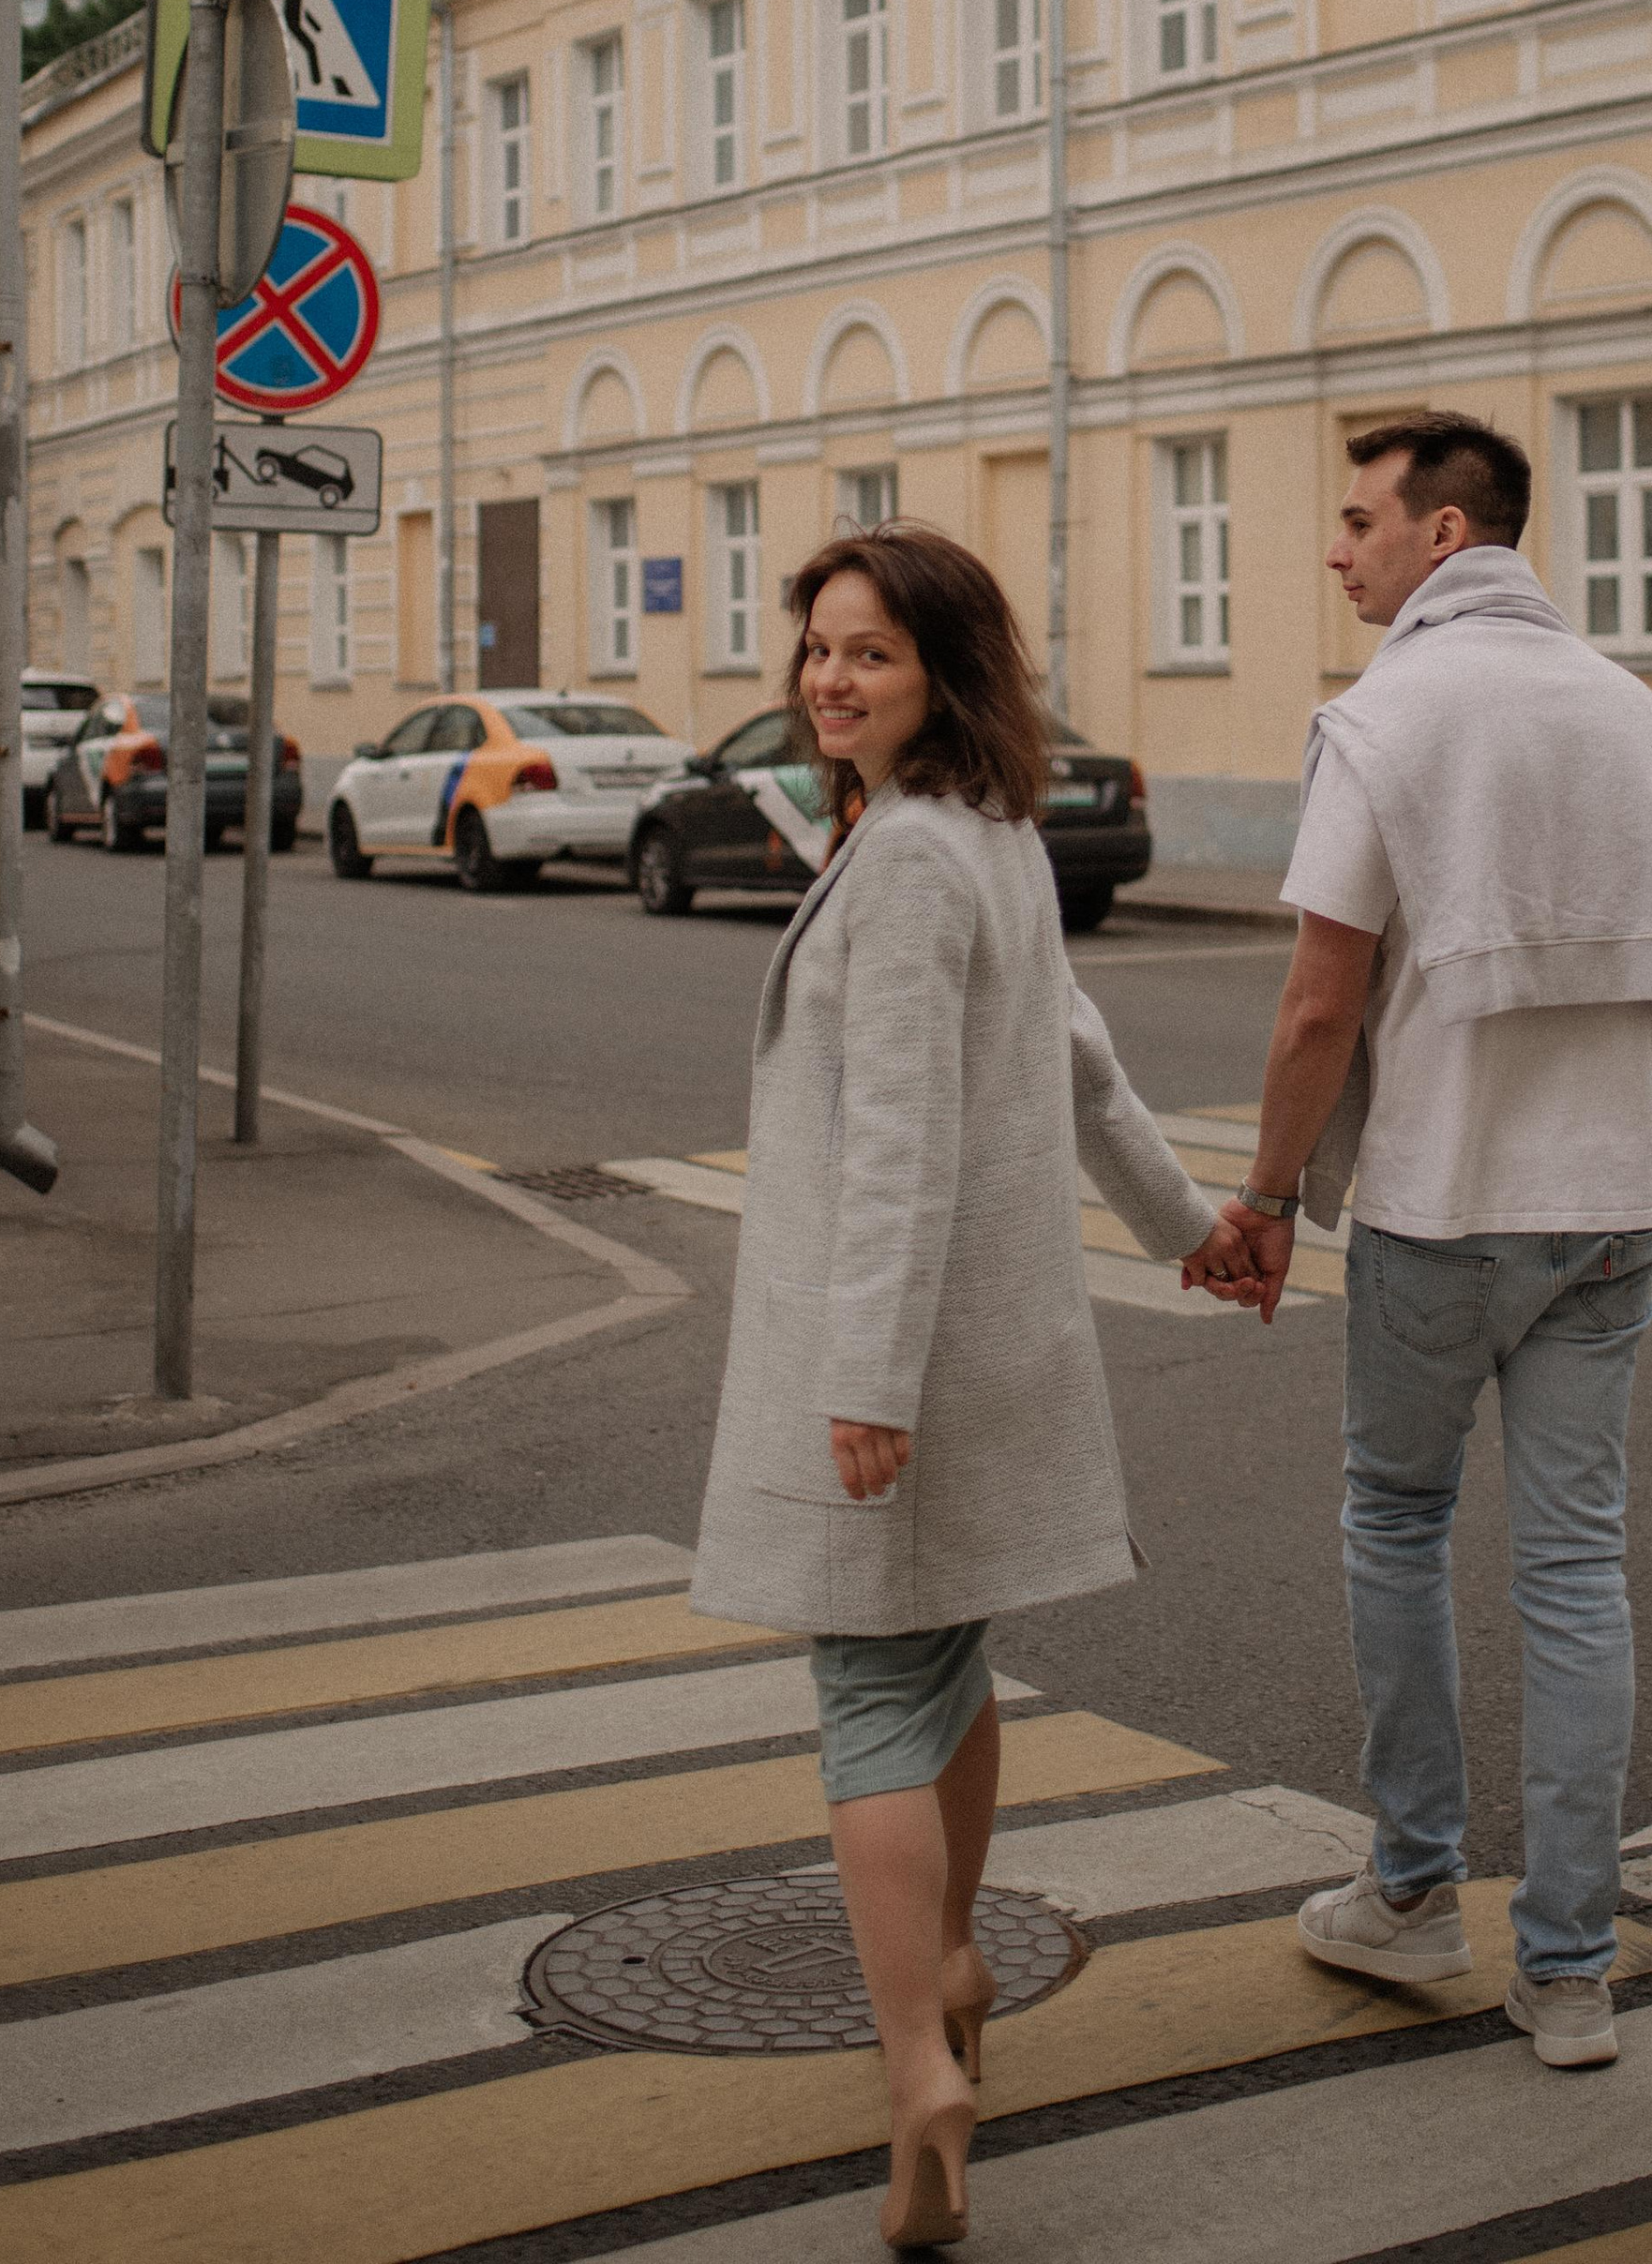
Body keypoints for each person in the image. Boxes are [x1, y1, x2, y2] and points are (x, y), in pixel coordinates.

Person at [689, 521, 1251, 2249]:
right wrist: (1189, 1228)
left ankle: (915, 2056)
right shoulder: (986, 832)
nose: (830, 679)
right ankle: (948, 1952)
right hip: (986, 1349)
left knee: (867, 1695)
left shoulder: (921, 855)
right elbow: (1082, 1061)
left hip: (904, 1365)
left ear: (942, 669)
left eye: (869, 651)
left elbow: (904, 1140)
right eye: (817, 650)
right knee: (948, 1668)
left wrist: (866, 1378)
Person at [1210, 412, 1652, 2071]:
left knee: (1401, 1521)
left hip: (1440, 1210)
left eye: (1357, 517)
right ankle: (1570, 1967)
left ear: (1444, 534)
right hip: (1603, 1215)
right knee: (1580, 1571)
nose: (1334, 545)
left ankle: (1415, 1890)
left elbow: (1318, 1002)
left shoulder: (1384, 721)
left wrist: (1270, 1201)